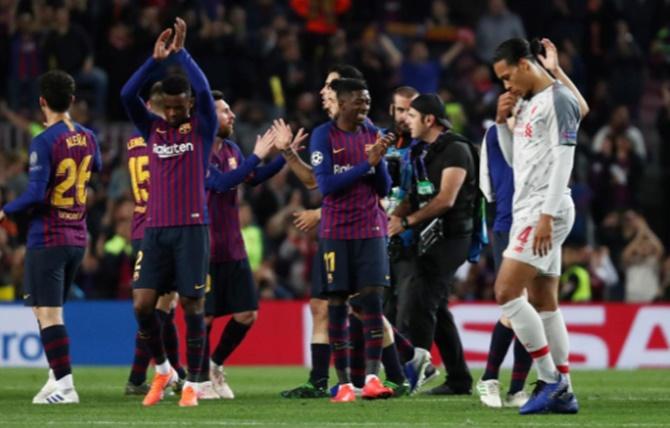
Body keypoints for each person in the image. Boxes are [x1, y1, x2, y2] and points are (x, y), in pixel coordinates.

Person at [477, 37, 589, 409]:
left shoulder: (555, 100)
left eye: (508, 76)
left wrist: (545, 216)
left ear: (525, 64)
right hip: (531, 208)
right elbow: (514, 159)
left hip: (545, 209)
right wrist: (501, 124)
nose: (506, 86)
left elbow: (563, 162)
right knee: (544, 302)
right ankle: (565, 386)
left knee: (506, 292)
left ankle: (549, 380)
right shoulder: (527, 103)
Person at [121, 18, 216, 408]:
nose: (174, 114)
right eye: (169, 108)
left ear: (190, 105)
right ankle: (163, 370)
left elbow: (206, 89)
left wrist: (183, 54)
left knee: (193, 305)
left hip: (192, 229)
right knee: (142, 304)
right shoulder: (153, 130)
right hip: (156, 229)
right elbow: (128, 95)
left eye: (180, 108)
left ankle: (193, 382)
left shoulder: (202, 129)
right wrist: (154, 61)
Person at [0, 69, 102, 404]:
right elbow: (96, 168)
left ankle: (66, 387)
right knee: (43, 311)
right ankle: (53, 376)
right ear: (72, 100)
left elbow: (33, 194)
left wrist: (5, 210)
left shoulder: (44, 141)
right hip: (77, 236)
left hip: (49, 236)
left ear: (41, 101)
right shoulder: (88, 135)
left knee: (48, 314)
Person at [201, 90, 292, 399]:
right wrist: (258, 154)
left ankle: (214, 365)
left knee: (247, 314)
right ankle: (197, 377)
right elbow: (220, 183)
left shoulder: (230, 149)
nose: (233, 116)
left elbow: (251, 177)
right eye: (225, 111)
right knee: (206, 316)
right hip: (204, 249)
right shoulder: (197, 152)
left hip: (233, 248)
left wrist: (284, 154)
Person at [309, 78, 394, 402]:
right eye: (359, 101)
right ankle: (344, 384)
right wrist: (366, 164)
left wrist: (380, 162)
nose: (364, 106)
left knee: (372, 300)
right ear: (342, 103)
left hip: (371, 229)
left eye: (367, 100)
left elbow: (383, 188)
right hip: (335, 231)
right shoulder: (323, 135)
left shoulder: (372, 133)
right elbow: (327, 186)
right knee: (337, 303)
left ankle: (372, 378)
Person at [388, 94, 474, 396]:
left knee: (420, 298)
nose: (405, 121)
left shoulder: (456, 150)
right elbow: (414, 195)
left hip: (452, 237)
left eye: (411, 115)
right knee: (436, 306)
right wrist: (392, 220)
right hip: (430, 235)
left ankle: (414, 369)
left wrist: (407, 222)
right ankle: (459, 379)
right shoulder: (422, 153)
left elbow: (445, 200)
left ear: (429, 120)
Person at [124, 82, 186, 396]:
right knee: (159, 306)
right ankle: (139, 377)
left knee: (162, 305)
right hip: (162, 227)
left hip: (139, 227)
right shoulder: (163, 137)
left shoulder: (134, 140)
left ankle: (174, 371)